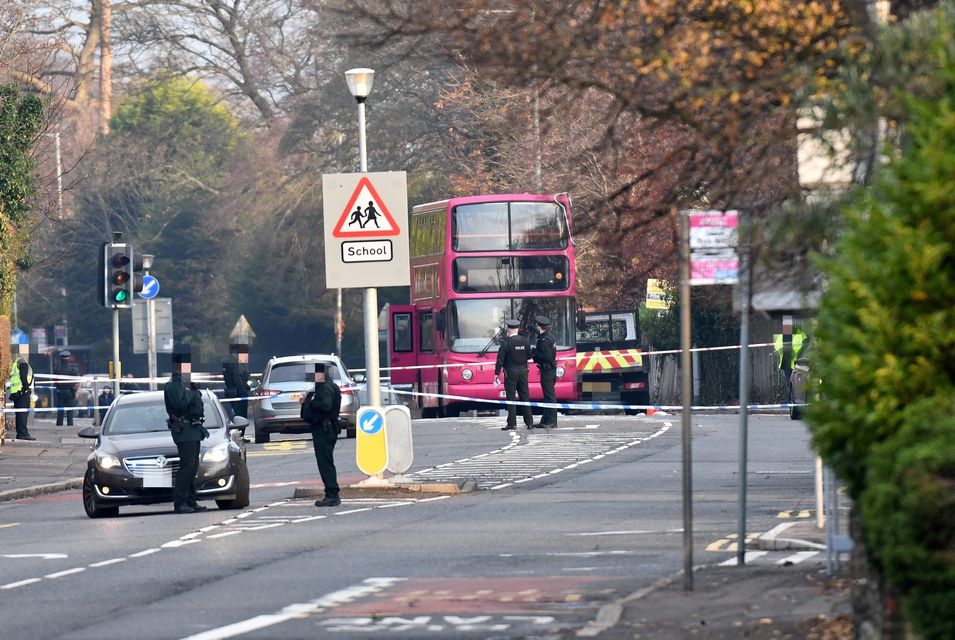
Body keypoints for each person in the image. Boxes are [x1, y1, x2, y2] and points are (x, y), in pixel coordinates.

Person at [164, 349, 210, 514]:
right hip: (183, 429)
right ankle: (180, 501)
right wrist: (192, 393)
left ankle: (190, 499)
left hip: (193, 428)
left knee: (193, 466)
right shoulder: (173, 385)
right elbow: (179, 404)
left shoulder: (186, 383)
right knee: (186, 467)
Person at [300, 363, 342, 507]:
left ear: (322, 374)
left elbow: (326, 405)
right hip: (327, 427)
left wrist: (310, 403)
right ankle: (331, 493)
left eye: (316, 373)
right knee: (326, 461)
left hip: (324, 429)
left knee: (325, 463)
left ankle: (332, 494)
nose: (314, 376)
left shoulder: (325, 388)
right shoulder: (330, 386)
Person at [494, 318, 534, 431]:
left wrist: (496, 374)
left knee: (511, 397)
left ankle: (512, 423)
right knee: (525, 396)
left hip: (510, 372)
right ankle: (529, 422)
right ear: (517, 329)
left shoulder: (506, 343)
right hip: (523, 371)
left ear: (508, 329)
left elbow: (500, 359)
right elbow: (529, 356)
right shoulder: (525, 341)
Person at [532, 314, 558, 429]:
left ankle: (552, 421)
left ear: (539, 327)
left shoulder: (543, 341)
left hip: (546, 370)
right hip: (550, 370)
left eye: (536, 326)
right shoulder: (550, 337)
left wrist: (534, 354)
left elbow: (546, 357)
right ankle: (545, 420)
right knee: (548, 397)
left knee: (549, 397)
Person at [8, 357, 35, 440]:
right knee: (22, 414)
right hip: (22, 392)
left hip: (17, 392)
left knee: (20, 414)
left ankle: (20, 433)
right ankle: (23, 434)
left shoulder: (16, 363)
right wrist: (26, 388)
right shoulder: (22, 362)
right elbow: (23, 376)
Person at [222, 344, 251, 419]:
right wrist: (244, 391)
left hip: (231, 392)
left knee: (235, 415)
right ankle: (240, 429)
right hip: (239, 394)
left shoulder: (227, 362)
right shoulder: (236, 363)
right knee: (241, 416)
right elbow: (237, 378)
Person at [53, 351, 78, 427]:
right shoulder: (72, 369)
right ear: (68, 358)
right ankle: (70, 425)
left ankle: (59, 425)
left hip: (60, 392)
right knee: (70, 411)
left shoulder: (57, 369)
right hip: (70, 392)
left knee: (60, 411)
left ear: (61, 359)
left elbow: (54, 380)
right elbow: (76, 380)